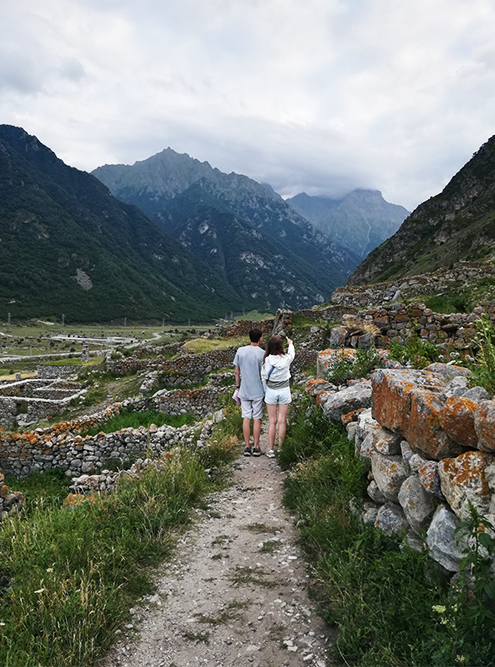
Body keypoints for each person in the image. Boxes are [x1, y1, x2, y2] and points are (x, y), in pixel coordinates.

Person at [261, 335, 295, 458]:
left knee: (272, 422)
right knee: (282, 421)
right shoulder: (286, 359)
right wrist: (290, 343)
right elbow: (292, 354)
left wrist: (265, 393)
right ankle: (280, 448)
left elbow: (264, 377)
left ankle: (270, 450)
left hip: (271, 391)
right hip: (284, 390)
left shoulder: (267, 360)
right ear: (281, 346)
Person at [233, 328, 265, 456]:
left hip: (244, 390)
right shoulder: (263, 353)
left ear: (249, 337)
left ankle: (247, 447)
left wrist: (238, 386)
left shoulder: (240, 351)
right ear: (260, 339)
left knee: (246, 417)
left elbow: (236, 371)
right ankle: (256, 447)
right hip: (258, 390)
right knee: (257, 418)